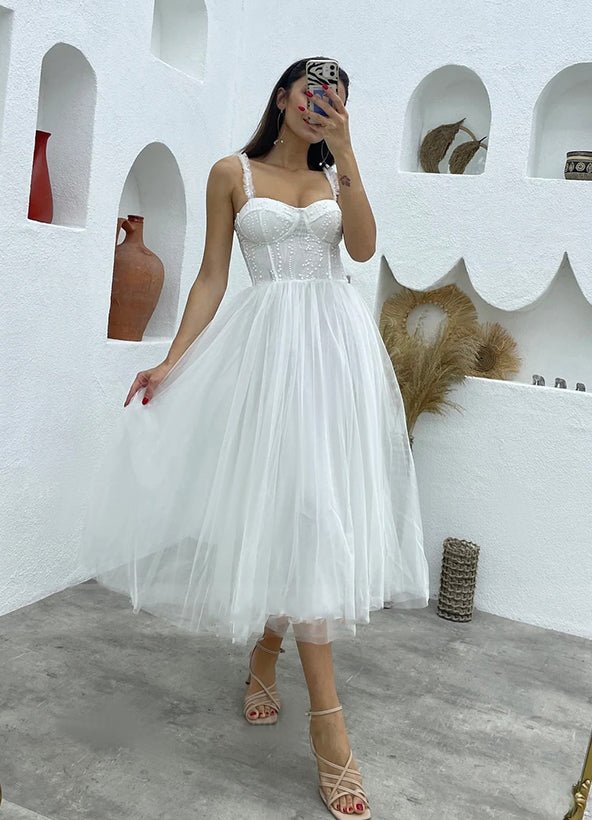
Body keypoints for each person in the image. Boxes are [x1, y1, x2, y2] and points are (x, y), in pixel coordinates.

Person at [79, 57, 429, 819]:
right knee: (296, 512)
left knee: (312, 511)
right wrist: (172, 362)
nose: (320, 104)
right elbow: (211, 276)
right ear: (282, 95)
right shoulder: (229, 173)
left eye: (335, 97)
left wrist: (350, 153)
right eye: (311, 90)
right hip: (269, 358)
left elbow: (362, 249)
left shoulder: (336, 174)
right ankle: (330, 729)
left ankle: (268, 653)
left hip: (335, 356)